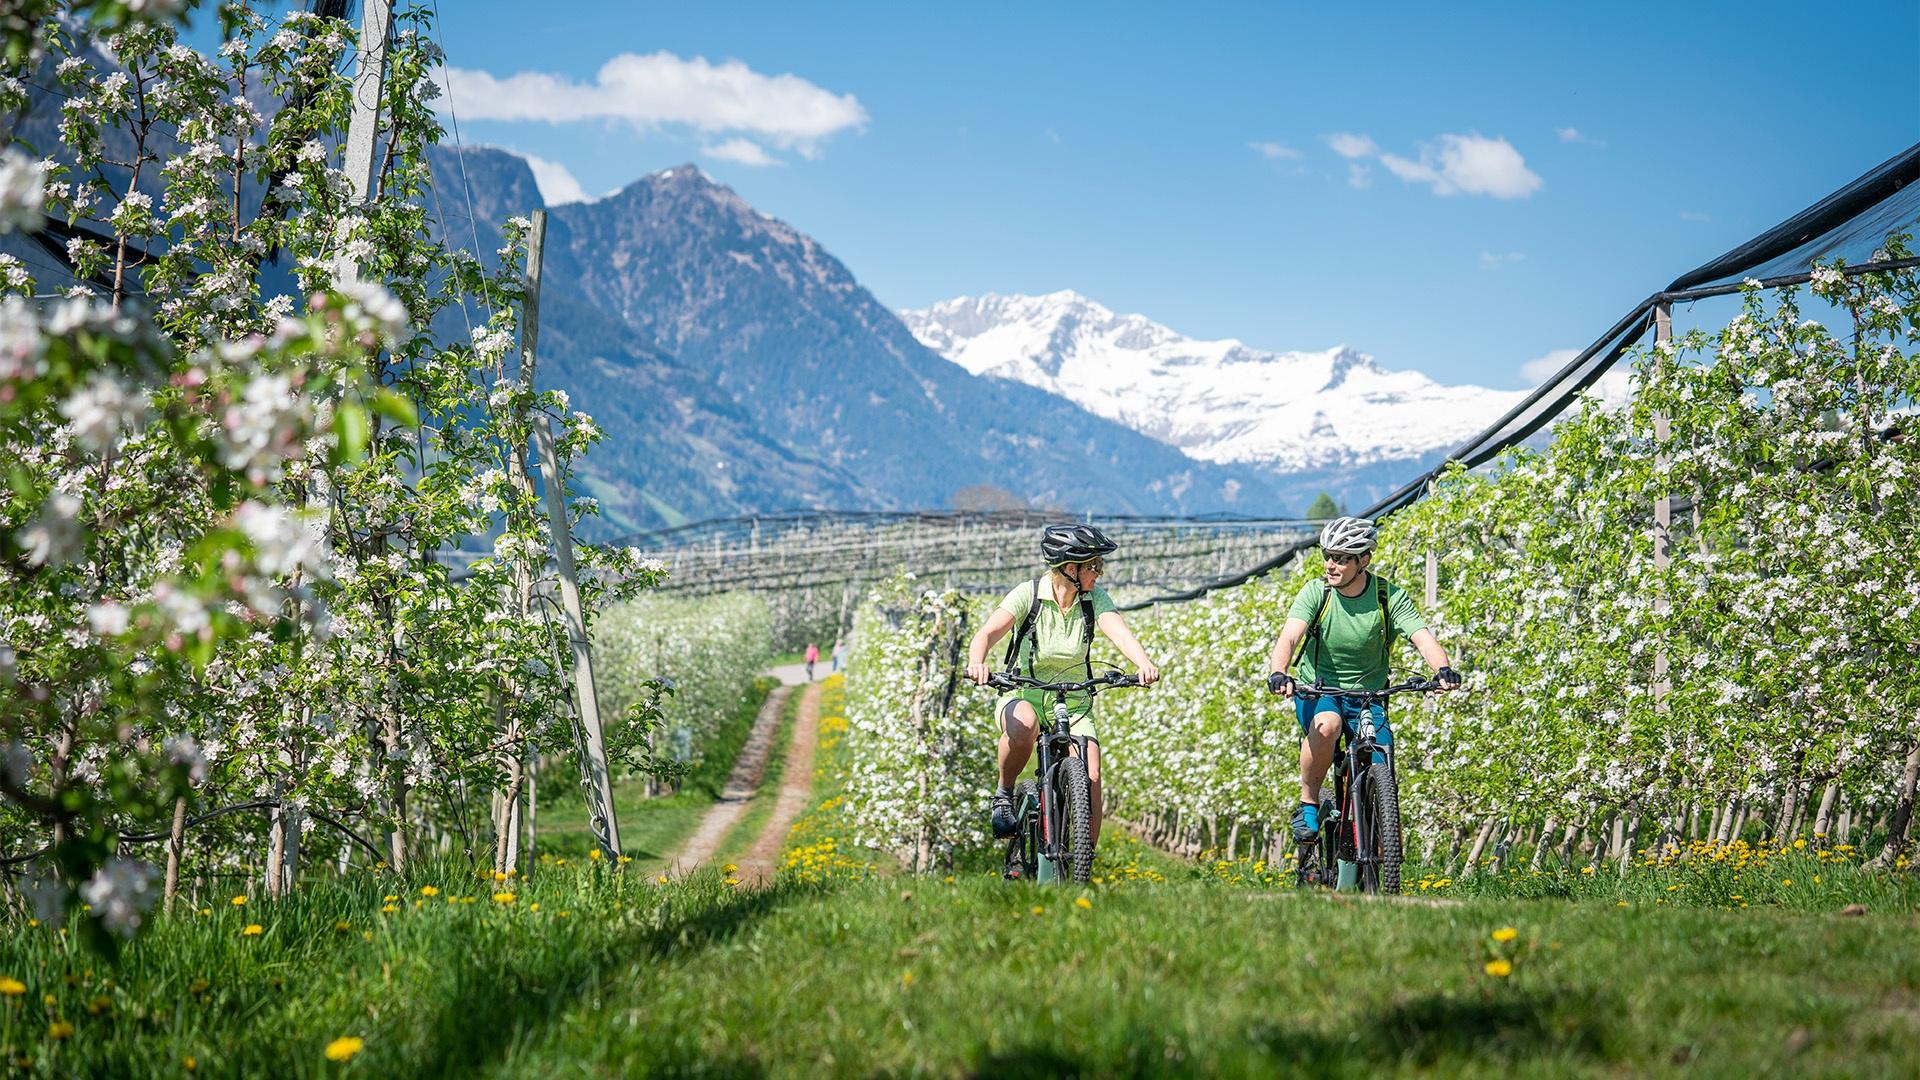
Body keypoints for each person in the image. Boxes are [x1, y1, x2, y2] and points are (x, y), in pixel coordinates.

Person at [1264, 516, 1461, 844]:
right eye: (1327, 555)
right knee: (1327, 725)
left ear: (1363, 560)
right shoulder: (1317, 593)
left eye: (1341, 558)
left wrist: (1442, 669)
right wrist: (1279, 672)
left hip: (1369, 695)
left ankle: (1379, 850)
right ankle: (1308, 801)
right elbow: (1289, 638)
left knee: (1382, 757)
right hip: (1319, 689)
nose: (1330, 564)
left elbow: (1421, 636)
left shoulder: (1387, 597)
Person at [965, 523, 1161, 846]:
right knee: (1024, 725)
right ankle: (1004, 792)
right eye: (1094, 566)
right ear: (1071, 569)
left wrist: (1143, 664)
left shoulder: (1094, 599)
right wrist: (977, 662)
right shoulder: (1028, 594)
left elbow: (1120, 632)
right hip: (1024, 692)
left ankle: (1084, 861)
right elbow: (986, 634)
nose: (1099, 573)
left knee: (1091, 775)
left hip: (1074, 701)